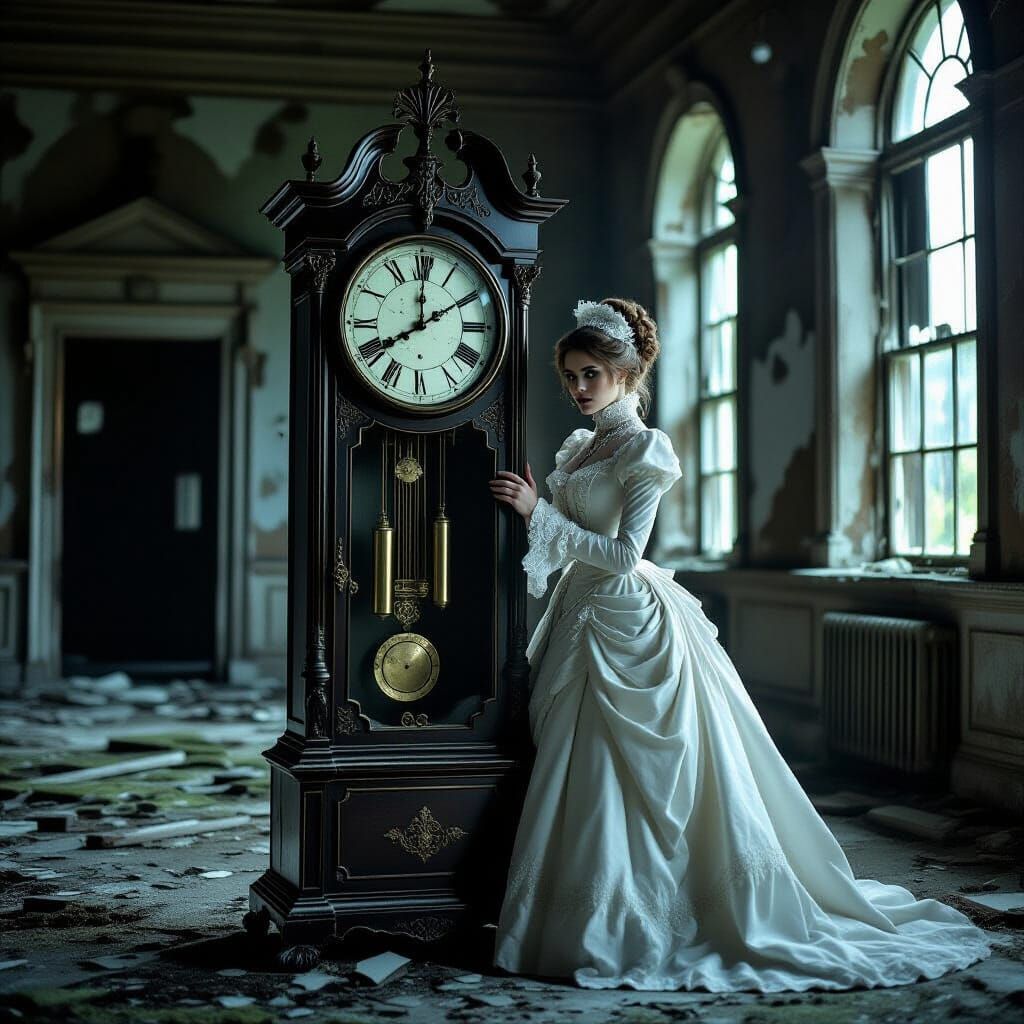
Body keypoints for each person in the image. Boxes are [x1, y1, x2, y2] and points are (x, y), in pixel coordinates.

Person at [486, 297, 993, 992]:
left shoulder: (643, 447)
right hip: (580, 617)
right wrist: (545, 511)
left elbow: (628, 555)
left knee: (632, 770)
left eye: (592, 374)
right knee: (573, 767)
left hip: (628, 620)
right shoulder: (581, 447)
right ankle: (571, 908)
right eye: (571, 375)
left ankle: (650, 914)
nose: (578, 388)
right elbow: (568, 547)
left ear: (628, 373)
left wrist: (539, 512)